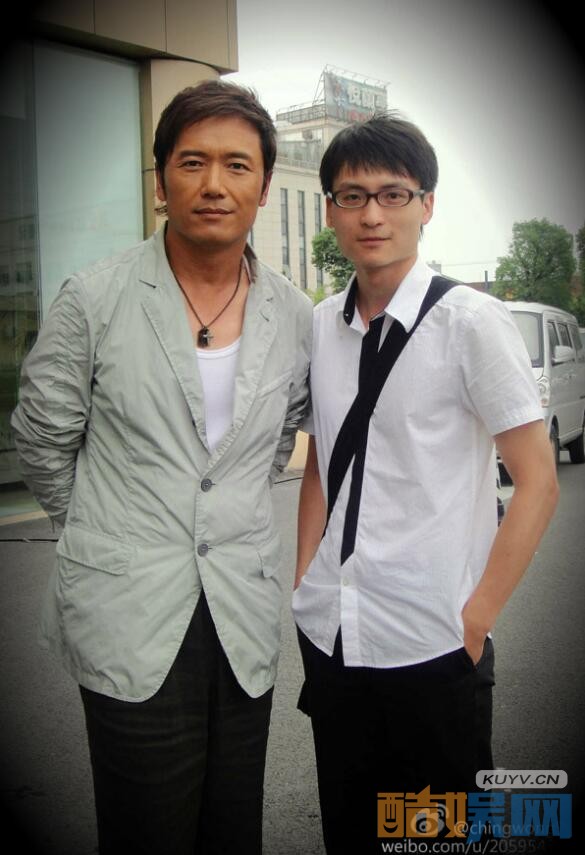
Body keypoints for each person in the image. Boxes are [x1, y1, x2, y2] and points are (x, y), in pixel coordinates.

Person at [11, 79, 312, 855]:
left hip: (240, 612)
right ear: (160, 182)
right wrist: (109, 533)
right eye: (192, 162)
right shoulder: (94, 298)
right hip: (128, 612)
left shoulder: (292, 313)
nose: (214, 184)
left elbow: (274, 439)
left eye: (237, 165)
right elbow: (42, 438)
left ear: (264, 187)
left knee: (232, 829)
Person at [292, 114, 559, 854]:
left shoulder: (472, 322)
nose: (372, 214)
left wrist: (474, 620)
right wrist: (304, 577)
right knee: (352, 832)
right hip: (332, 635)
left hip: (433, 643)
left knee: (439, 837)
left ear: (426, 204)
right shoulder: (321, 325)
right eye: (352, 196)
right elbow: (319, 462)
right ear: (330, 210)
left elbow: (537, 481)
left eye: (393, 194)